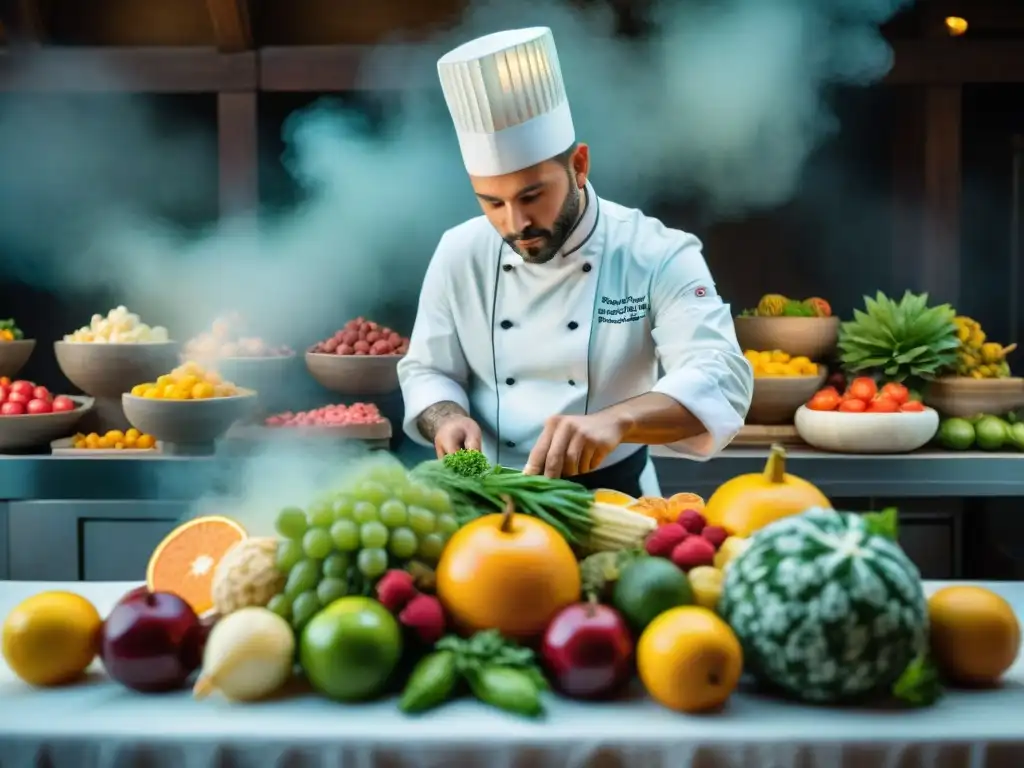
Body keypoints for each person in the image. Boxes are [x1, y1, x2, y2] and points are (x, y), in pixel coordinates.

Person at [397, 27, 753, 497]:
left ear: (579, 166)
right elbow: (427, 370)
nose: (516, 223)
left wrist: (618, 420)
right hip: (485, 495)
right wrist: (447, 418)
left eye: (532, 195)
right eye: (492, 202)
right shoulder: (459, 251)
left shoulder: (658, 253)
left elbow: (720, 376)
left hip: (616, 498)